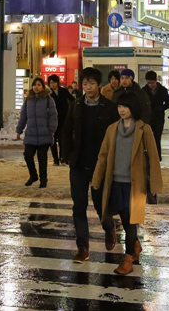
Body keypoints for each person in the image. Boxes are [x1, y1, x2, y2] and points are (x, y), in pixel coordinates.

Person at [91, 92, 162, 276]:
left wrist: (154, 184)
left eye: (125, 106)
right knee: (123, 219)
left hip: (135, 184)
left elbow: (153, 157)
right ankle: (135, 246)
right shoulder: (112, 129)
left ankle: (128, 257)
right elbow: (103, 156)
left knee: (131, 222)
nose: (122, 110)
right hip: (115, 182)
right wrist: (97, 179)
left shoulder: (144, 129)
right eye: (119, 106)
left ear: (133, 108)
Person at [60, 67, 117, 263]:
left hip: (100, 165)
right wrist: (65, 155)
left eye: (92, 83)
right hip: (78, 163)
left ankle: (109, 228)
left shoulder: (110, 107)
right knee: (79, 205)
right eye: (85, 84)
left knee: (101, 204)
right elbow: (66, 131)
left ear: (99, 85)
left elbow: (115, 137)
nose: (89, 87)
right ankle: (82, 247)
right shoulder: (76, 106)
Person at [15, 78, 58, 187]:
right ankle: (33, 175)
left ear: (43, 86)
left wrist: (51, 129)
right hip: (31, 134)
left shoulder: (49, 100)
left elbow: (53, 116)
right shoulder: (28, 100)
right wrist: (19, 130)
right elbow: (23, 117)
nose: (36, 87)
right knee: (28, 155)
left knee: (42, 159)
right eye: (34, 85)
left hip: (45, 134)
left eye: (39, 85)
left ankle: (43, 180)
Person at [142, 71, 169, 158]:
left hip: (158, 118)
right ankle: (147, 156)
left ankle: (157, 157)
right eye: (148, 83)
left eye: (152, 82)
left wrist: (160, 108)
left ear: (156, 80)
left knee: (157, 138)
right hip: (147, 118)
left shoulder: (162, 90)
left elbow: (168, 103)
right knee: (147, 138)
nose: (150, 85)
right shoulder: (143, 90)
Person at [46, 74, 72, 166]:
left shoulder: (64, 91)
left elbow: (72, 100)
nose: (52, 84)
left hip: (63, 118)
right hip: (52, 119)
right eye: (51, 83)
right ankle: (55, 159)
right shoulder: (48, 93)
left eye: (54, 82)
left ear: (58, 82)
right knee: (53, 139)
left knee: (62, 139)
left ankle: (62, 158)